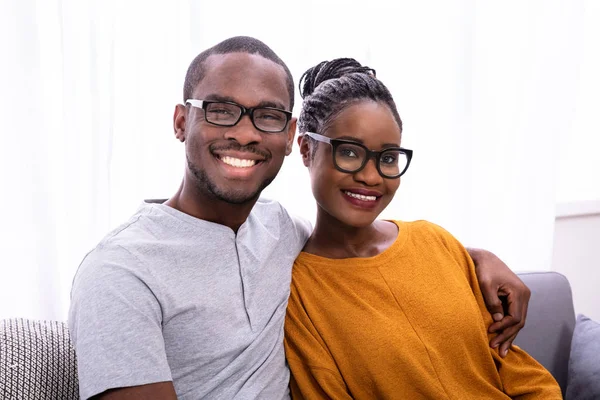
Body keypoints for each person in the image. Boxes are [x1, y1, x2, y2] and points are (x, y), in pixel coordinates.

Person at [69, 37, 531, 400]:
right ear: (179, 122)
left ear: (292, 137)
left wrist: (476, 259)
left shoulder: (280, 232)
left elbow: (369, 255)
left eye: (268, 117)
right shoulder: (119, 272)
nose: (245, 134)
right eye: (221, 110)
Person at [283, 58, 562, 399]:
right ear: (306, 149)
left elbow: (518, 373)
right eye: (350, 153)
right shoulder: (298, 294)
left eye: (387, 158)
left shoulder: (435, 241)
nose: (371, 177)